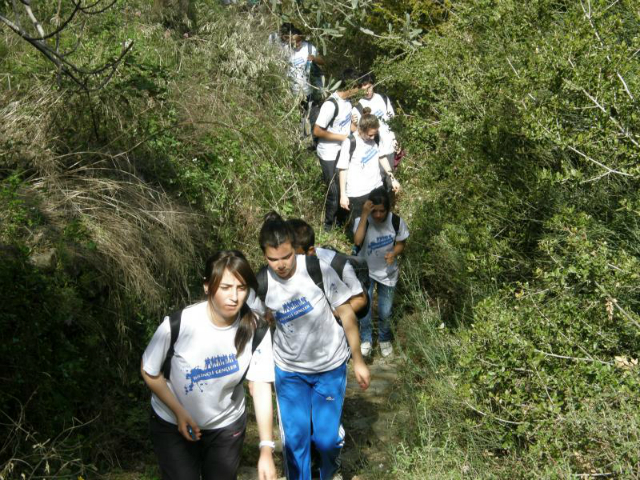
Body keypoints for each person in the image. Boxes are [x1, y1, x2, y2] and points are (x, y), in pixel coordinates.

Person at [141, 250, 277, 480]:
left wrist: (266, 447)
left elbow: (261, 385)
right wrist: (179, 412)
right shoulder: (178, 325)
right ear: (207, 286)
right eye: (225, 287)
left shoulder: (256, 328)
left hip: (225, 426)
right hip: (172, 424)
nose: (234, 297)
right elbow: (149, 371)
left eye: (241, 288)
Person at [256, 212, 370, 480]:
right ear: (265, 256)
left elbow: (347, 313)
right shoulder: (262, 283)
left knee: (326, 440)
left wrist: (358, 360)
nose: (281, 265)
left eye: (286, 256)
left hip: (329, 367)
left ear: (294, 248)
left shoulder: (316, 269)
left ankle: (330, 471)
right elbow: (257, 321)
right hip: (290, 371)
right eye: (274, 259)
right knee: (295, 442)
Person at [353, 188, 409, 358]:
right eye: (374, 211)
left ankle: (385, 339)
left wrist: (394, 253)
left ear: (388, 209)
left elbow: (401, 242)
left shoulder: (396, 222)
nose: (377, 215)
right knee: (365, 309)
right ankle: (366, 340)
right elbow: (357, 240)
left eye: (381, 211)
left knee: (385, 311)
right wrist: (364, 215)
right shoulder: (363, 220)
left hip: (388, 273)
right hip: (366, 272)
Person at [312, 68, 362, 232]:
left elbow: (348, 129)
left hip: (342, 152)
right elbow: (317, 131)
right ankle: (327, 228)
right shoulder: (330, 104)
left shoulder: (348, 104)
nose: (359, 91)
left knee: (344, 189)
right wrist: (342, 137)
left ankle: (340, 224)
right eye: (358, 87)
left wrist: (353, 125)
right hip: (328, 153)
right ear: (351, 86)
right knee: (333, 191)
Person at [287, 218, 368, 316]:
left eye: (292, 256)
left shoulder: (338, 265)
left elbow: (360, 300)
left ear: (310, 251)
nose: (285, 263)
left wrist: (331, 317)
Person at [337, 107, 401, 224]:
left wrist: (392, 178)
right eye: (370, 135)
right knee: (361, 225)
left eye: (374, 134)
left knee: (382, 222)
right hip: (358, 193)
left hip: (377, 187)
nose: (372, 138)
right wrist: (343, 195)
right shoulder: (350, 142)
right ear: (361, 130)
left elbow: (381, 157)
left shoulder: (376, 137)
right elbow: (343, 168)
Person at [351, 73, 399, 171]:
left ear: (373, 85)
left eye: (369, 88)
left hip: (389, 146)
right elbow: (356, 132)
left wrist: (395, 140)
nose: (367, 92)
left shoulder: (383, 99)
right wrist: (354, 123)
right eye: (363, 90)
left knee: (392, 177)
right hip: (373, 152)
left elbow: (392, 121)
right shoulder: (358, 107)